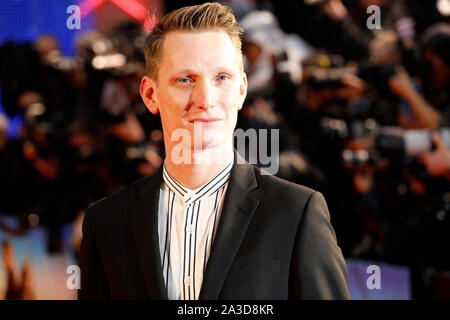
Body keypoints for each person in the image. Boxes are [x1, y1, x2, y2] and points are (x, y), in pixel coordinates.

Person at [78, 2, 350, 300]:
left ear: (242, 90)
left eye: (222, 78)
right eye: (185, 80)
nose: (205, 99)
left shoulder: (297, 212)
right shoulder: (106, 223)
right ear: (150, 94)